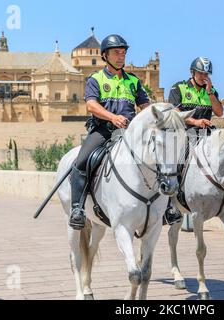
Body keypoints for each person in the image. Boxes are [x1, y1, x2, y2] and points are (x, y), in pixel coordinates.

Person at [69, 34, 150, 230]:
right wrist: (112, 117)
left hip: (130, 133)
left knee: (161, 156)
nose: (121, 56)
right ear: (105, 55)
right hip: (104, 131)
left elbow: (145, 105)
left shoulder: (133, 81)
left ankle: (167, 206)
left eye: (123, 53)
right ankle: (77, 209)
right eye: (116, 53)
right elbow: (91, 105)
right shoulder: (95, 79)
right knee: (81, 162)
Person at [164, 57, 224, 225]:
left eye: (206, 74)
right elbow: (174, 113)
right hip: (185, 132)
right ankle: (170, 204)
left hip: (207, 135)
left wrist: (210, 92)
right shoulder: (179, 88)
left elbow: (219, 112)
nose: (203, 76)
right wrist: (196, 122)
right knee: (175, 160)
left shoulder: (211, 91)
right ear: (192, 72)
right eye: (200, 73)